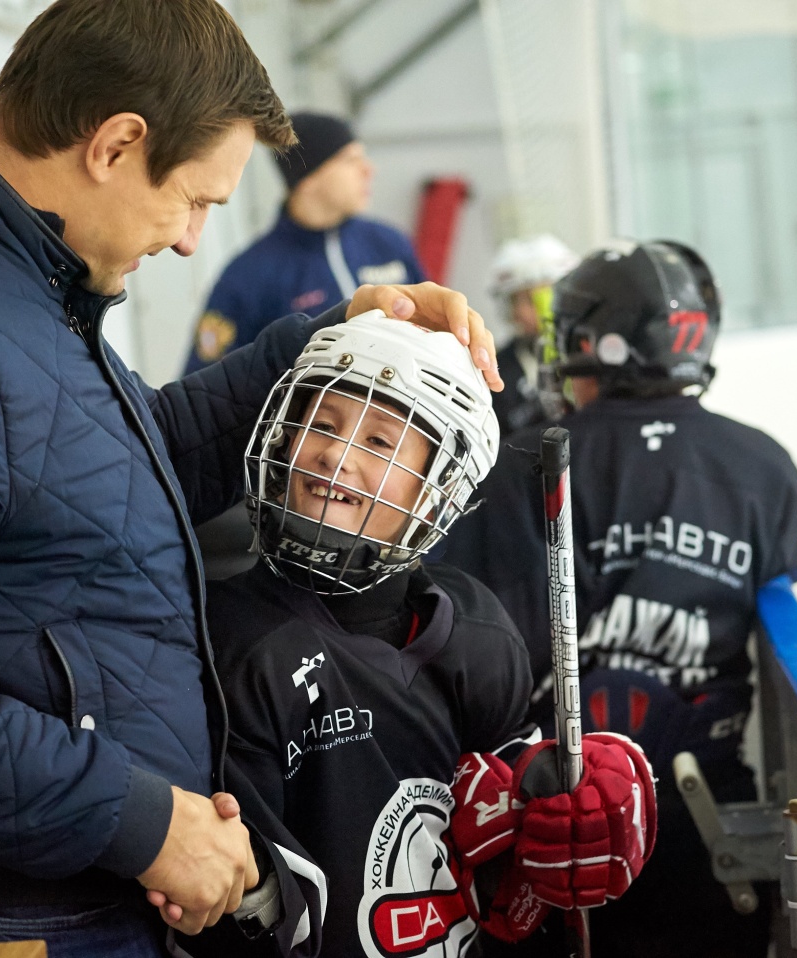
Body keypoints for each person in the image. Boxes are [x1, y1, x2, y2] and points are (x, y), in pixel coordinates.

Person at [0, 3, 502, 956]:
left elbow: (124, 477)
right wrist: (141, 821)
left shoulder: (8, 286)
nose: (189, 240)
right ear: (116, 143)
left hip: (49, 900)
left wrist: (338, 336)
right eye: (194, 201)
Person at [169, 313, 657, 958]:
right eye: (322, 424)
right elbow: (251, 911)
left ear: (438, 492)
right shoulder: (231, 640)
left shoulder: (475, 630)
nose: (335, 456)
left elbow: (509, 854)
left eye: (379, 441)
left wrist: (558, 808)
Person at [443, 240, 797, 957]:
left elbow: (478, 646)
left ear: (593, 344)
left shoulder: (514, 466)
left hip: (551, 819)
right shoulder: (766, 468)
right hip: (713, 820)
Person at [183, 112, 426, 374]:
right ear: (308, 178)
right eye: (350, 160)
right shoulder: (249, 275)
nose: (368, 170)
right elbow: (203, 383)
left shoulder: (388, 243)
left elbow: (430, 331)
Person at [486, 235, 578, 435]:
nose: (519, 312)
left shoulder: (587, 355)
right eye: (513, 301)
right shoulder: (496, 370)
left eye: (530, 300)